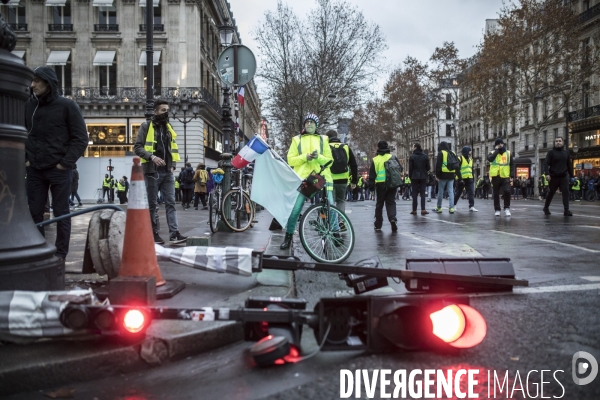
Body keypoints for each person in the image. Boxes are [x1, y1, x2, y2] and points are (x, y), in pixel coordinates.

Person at [24, 66, 88, 260]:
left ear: (48, 82)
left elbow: (80, 138)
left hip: (59, 170)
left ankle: (61, 254)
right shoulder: (29, 106)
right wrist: (27, 160)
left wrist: (65, 163)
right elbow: (23, 134)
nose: (32, 85)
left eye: (37, 80)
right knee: (34, 213)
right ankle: (39, 252)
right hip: (35, 170)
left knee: (62, 214)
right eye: (32, 81)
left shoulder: (67, 106)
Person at [134, 99, 187, 244]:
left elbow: (172, 149)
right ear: (155, 111)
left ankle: (174, 233)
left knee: (171, 203)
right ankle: (153, 233)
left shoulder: (168, 128)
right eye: (163, 110)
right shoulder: (146, 126)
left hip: (167, 172)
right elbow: (137, 147)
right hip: (152, 172)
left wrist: (173, 164)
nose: (166, 112)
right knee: (152, 204)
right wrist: (152, 157)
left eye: (167, 110)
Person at [280, 114, 335, 249]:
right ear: (304, 125)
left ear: (316, 125)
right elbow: (290, 160)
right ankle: (288, 237)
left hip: (321, 177)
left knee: (331, 207)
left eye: (312, 122)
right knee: (295, 210)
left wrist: (318, 157)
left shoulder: (324, 139)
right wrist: (306, 157)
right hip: (303, 179)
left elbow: (330, 160)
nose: (309, 124)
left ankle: (335, 234)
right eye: (307, 122)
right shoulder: (296, 140)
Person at [368, 140, 399, 232]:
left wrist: (371, 188)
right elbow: (399, 168)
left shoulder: (375, 159)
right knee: (391, 202)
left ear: (378, 148)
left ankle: (378, 224)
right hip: (392, 183)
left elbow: (372, 175)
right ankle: (392, 218)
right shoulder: (393, 157)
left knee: (379, 204)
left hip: (380, 184)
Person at [325, 130, 357, 213]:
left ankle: (332, 223)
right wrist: (354, 181)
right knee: (341, 201)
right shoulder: (346, 147)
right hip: (343, 180)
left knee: (329, 202)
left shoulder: (326, 147)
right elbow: (353, 164)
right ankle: (341, 220)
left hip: (330, 180)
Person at [543, 137, 573, 216]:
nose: (558, 142)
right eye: (556, 141)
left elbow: (569, 165)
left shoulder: (566, 153)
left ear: (563, 142)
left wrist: (572, 176)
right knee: (551, 192)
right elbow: (546, 164)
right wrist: (547, 174)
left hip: (564, 176)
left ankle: (566, 210)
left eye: (560, 141)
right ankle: (546, 207)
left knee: (566, 192)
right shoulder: (551, 153)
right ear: (554, 142)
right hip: (554, 176)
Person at [488, 138, 514, 217]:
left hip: (505, 176)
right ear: (495, 145)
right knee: (496, 193)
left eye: (501, 144)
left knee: (507, 191)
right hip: (496, 176)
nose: (500, 145)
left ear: (503, 144)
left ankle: (506, 208)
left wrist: (511, 175)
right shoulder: (492, 153)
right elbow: (490, 159)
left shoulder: (508, 153)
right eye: (498, 144)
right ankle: (497, 209)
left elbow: (511, 165)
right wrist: (496, 151)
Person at [433, 141, 456, 213]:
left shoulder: (441, 153)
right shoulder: (453, 153)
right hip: (451, 175)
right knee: (451, 191)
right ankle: (451, 208)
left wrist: (437, 175)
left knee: (441, 191)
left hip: (443, 175)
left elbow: (438, 165)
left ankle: (439, 207)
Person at [408, 143, 430, 215]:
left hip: (414, 176)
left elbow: (410, 168)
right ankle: (423, 209)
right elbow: (428, 168)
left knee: (414, 193)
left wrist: (410, 176)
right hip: (423, 176)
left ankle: (414, 210)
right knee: (423, 193)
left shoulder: (412, 157)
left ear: (415, 147)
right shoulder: (425, 156)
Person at [454, 146, 477, 212]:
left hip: (469, 178)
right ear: (467, 151)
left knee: (471, 192)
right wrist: (460, 178)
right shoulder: (460, 158)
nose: (471, 152)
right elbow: (457, 169)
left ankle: (471, 206)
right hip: (461, 179)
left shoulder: (471, 159)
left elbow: (471, 169)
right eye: (470, 150)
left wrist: (472, 177)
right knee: (458, 192)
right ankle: (454, 205)